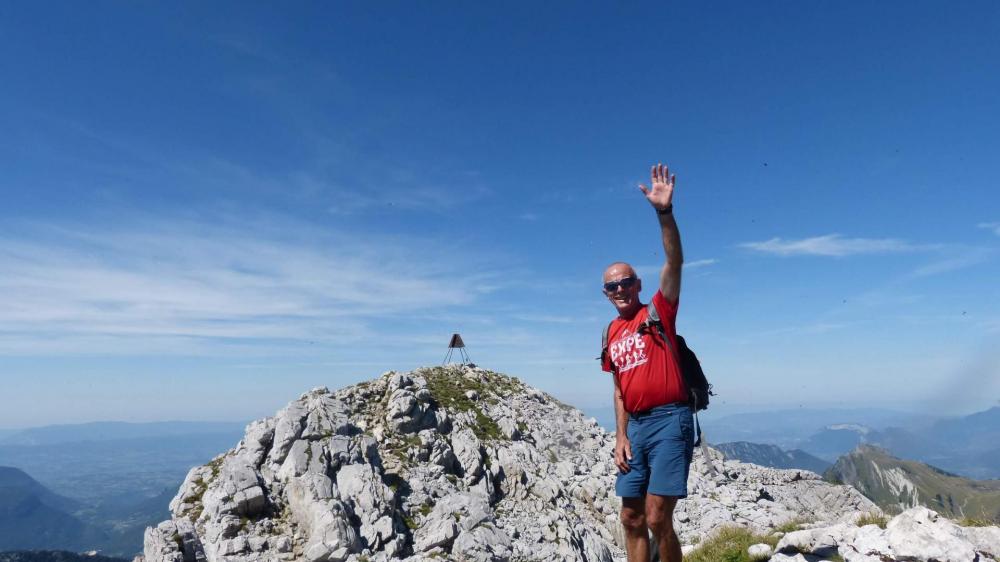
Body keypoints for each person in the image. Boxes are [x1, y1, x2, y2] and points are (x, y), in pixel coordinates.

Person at [600, 163, 692, 562]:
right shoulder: (610, 332)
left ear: (638, 285)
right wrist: (620, 435)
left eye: (625, 282)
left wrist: (664, 213)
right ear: (606, 293)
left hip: (671, 419)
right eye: (611, 286)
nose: (619, 289)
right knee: (631, 517)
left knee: (657, 517)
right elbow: (619, 388)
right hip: (635, 428)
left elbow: (674, 263)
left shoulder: (657, 311)